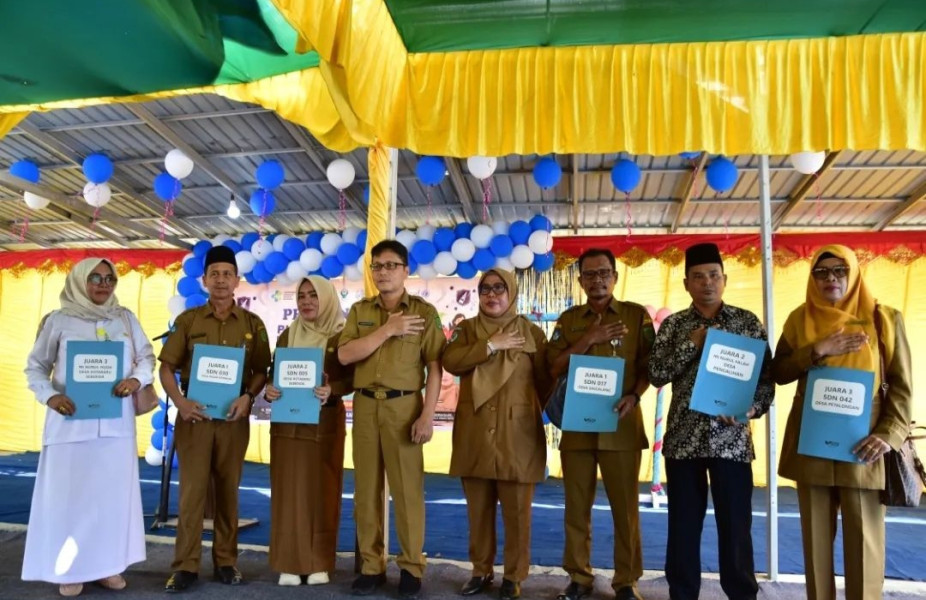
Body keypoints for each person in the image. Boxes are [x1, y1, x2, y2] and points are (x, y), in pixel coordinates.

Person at [771, 244, 912, 600]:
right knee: (815, 544)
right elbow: (779, 372)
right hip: (813, 443)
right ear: (812, 278)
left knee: (864, 542)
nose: (830, 278)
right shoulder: (799, 319)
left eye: (839, 270)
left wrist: (889, 434)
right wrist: (818, 350)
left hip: (863, 446)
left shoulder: (884, 318)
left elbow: (901, 386)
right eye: (821, 272)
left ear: (853, 273)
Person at [647, 242, 774, 600]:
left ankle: (742, 593)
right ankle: (683, 593)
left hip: (731, 441)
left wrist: (752, 409)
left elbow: (766, 378)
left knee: (735, 527)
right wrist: (691, 343)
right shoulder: (674, 326)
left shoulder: (746, 323)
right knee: (684, 526)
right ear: (686, 283)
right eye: (698, 277)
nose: (707, 283)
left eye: (714, 276)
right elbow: (656, 374)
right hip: (683, 442)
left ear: (725, 279)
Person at [23, 258, 155, 597]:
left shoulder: (124, 318)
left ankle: (107, 567)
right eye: (95, 278)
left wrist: (136, 380)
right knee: (69, 500)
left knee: (109, 501)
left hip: (115, 427)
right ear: (80, 281)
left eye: (109, 278)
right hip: (70, 427)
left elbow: (146, 357)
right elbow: (36, 367)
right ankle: (70, 569)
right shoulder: (59, 320)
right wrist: (50, 396)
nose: (103, 284)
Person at [158, 245, 272, 592]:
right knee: (191, 494)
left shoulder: (253, 324)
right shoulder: (188, 321)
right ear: (204, 280)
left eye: (227, 274)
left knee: (228, 492)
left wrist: (248, 396)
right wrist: (180, 401)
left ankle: (226, 562)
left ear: (237, 280)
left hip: (233, 419)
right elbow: (166, 367)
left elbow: (261, 370)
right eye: (215, 274)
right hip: (194, 418)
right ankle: (185, 567)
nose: (221, 280)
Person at [338, 240, 446, 599]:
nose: (383, 272)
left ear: (405, 269)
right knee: (366, 492)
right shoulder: (360, 311)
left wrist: (427, 416)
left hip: (405, 408)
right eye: (377, 266)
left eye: (391, 265)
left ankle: (412, 566)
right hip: (366, 406)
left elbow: (434, 366)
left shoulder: (424, 312)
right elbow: (344, 355)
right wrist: (387, 329)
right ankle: (372, 566)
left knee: (407, 492)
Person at [546, 248, 654, 600]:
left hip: (620, 426)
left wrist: (635, 397)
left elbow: (649, 368)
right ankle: (579, 577)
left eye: (604, 272)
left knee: (626, 511)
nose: (598, 279)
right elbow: (553, 367)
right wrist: (588, 339)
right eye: (590, 274)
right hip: (578, 428)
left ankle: (626, 581)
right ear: (580, 280)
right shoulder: (569, 318)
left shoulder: (636, 317)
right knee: (576, 508)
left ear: (615, 276)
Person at [443, 269, 550, 600]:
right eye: (485, 289)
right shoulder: (467, 330)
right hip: (475, 433)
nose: (492, 295)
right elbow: (451, 361)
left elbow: (547, 380)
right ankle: (481, 571)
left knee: (518, 513)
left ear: (512, 292)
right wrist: (490, 345)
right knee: (478, 510)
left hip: (517, 435)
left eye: (499, 288)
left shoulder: (531, 332)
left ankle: (514, 576)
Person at [263, 276, 353, 586]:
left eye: (313, 295)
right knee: (288, 491)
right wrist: (270, 389)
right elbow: (275, 376)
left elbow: (352, 378)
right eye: (301, 295)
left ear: (327, 298)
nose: (306, 301)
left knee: (322, 491)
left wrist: (334, 390)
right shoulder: (288, 335)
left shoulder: (342, 334)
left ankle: (318, 561)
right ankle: (289, 561)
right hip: (288, 425)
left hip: (325, 424)